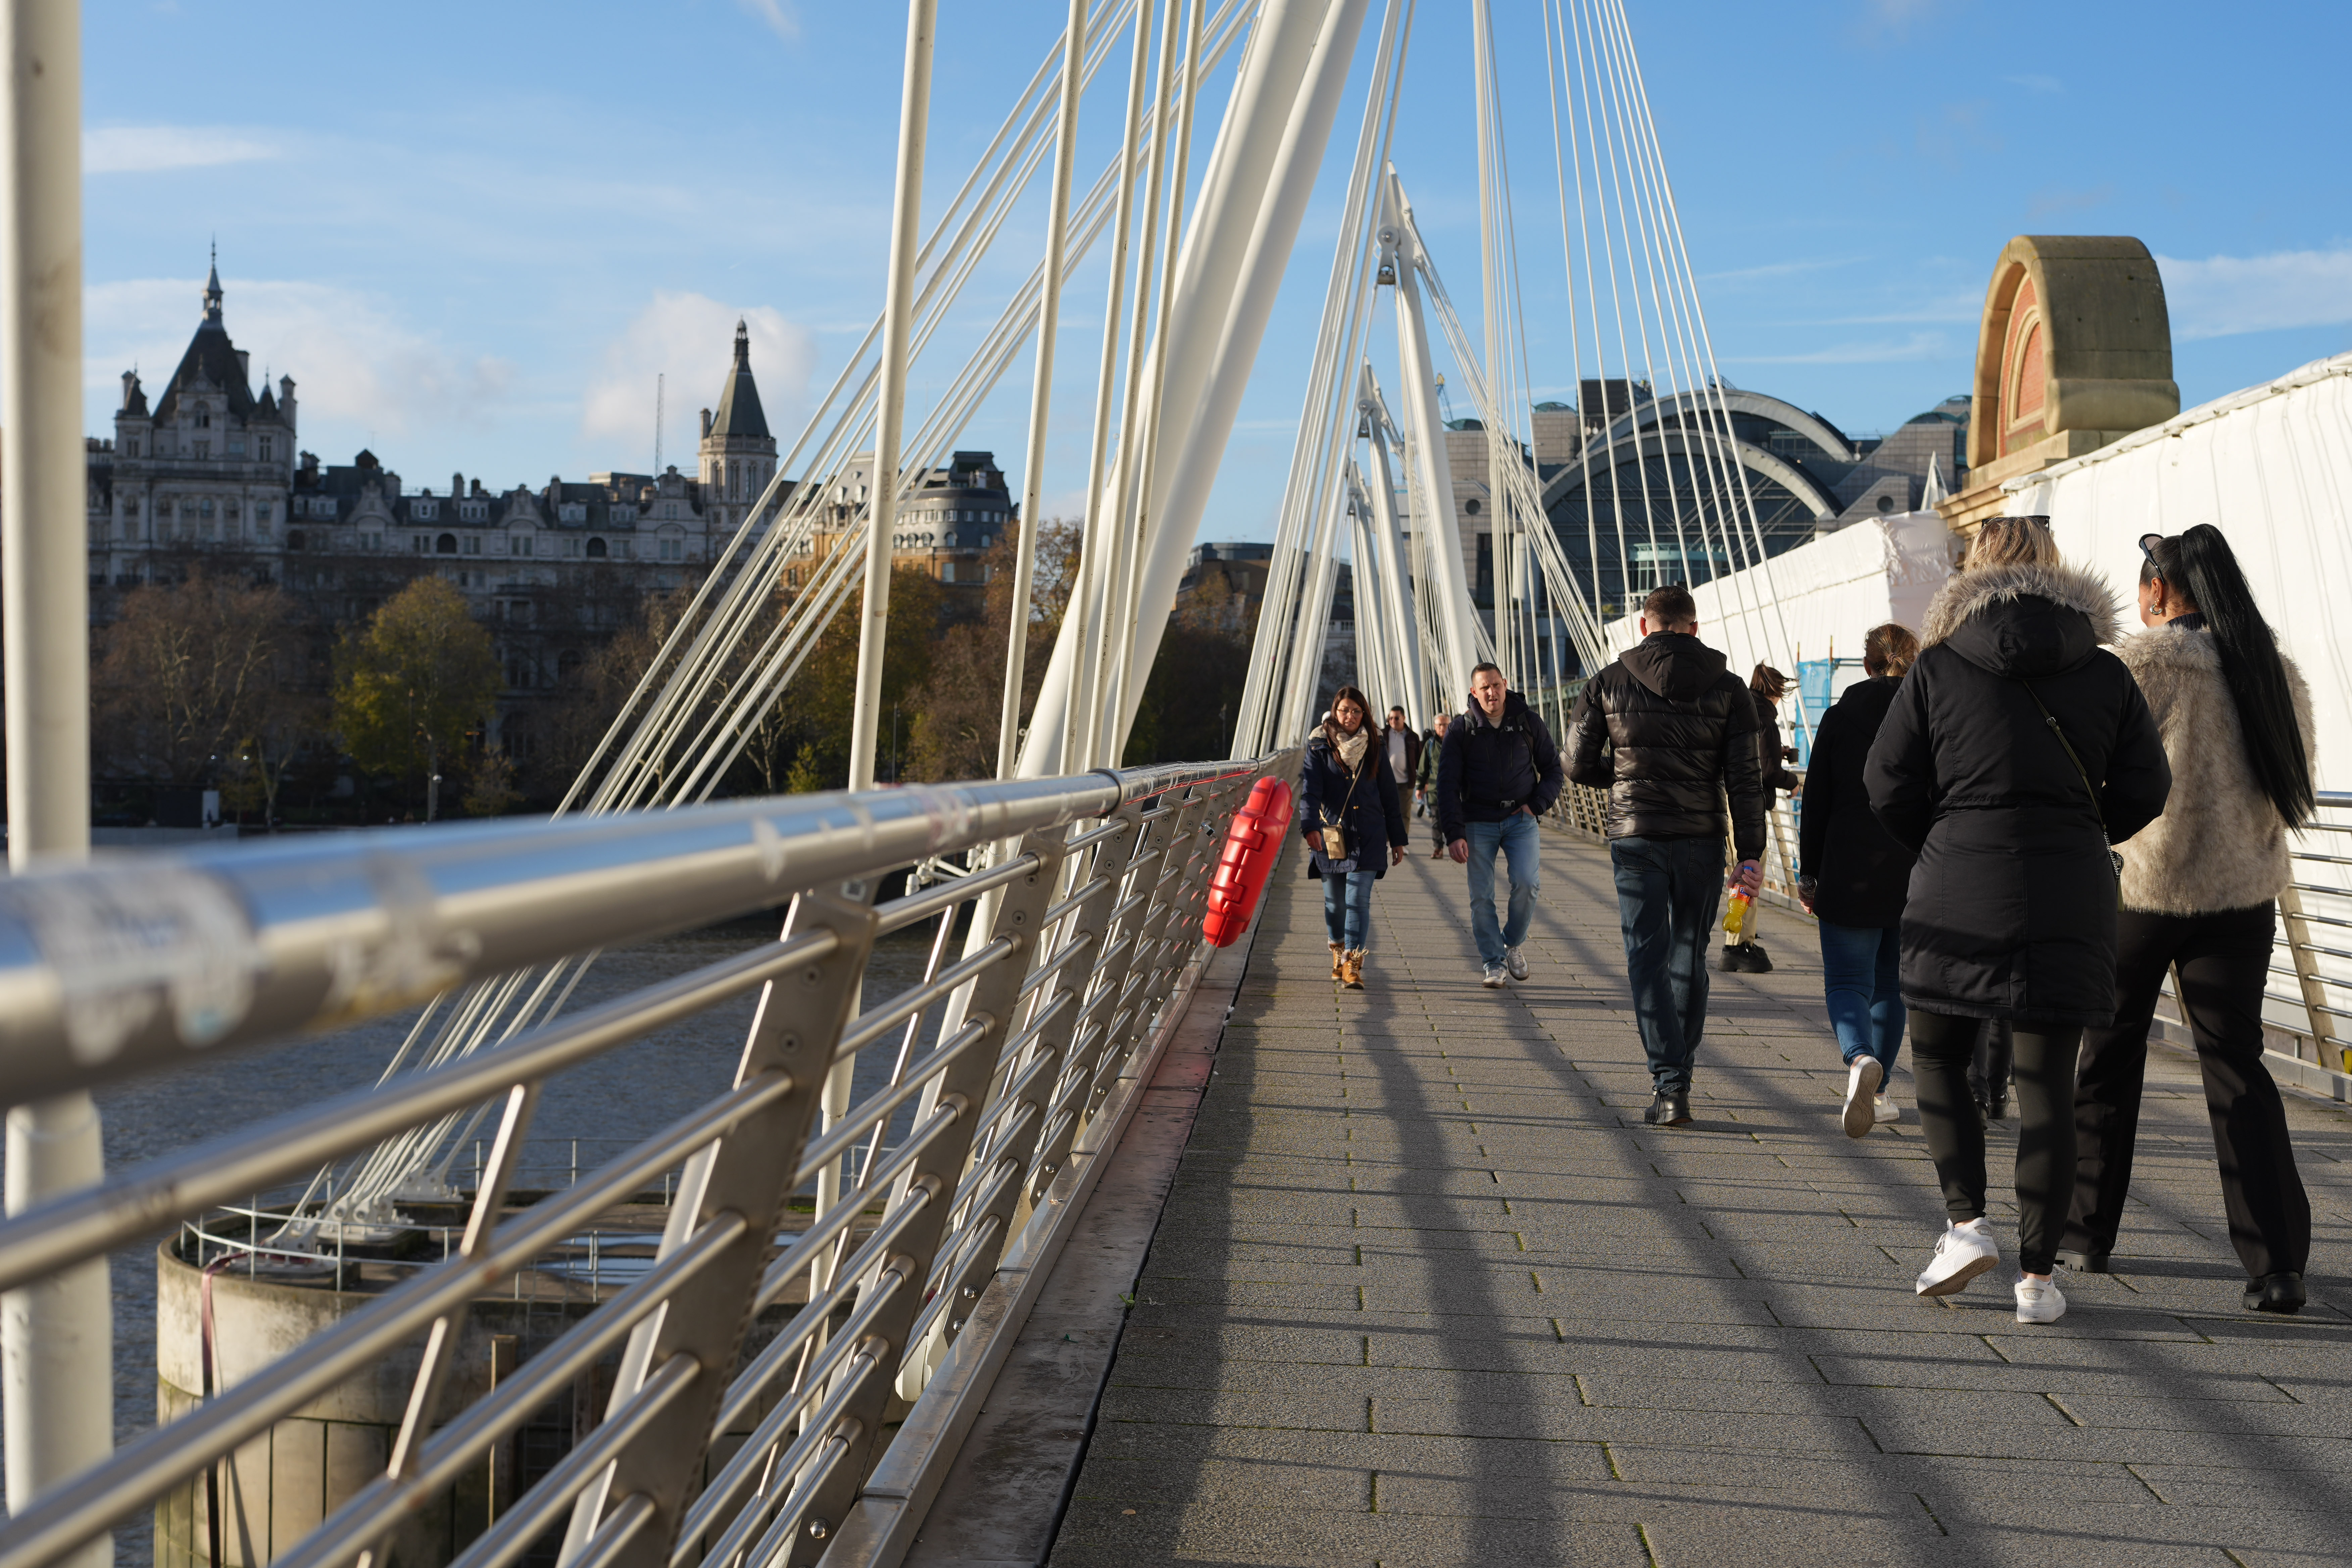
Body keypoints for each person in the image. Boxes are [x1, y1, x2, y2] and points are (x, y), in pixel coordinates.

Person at [1865, 517, 2170, 1325]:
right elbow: (2148, 783)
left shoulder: (1937, 667)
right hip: (2070, 886)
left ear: (1971, 573)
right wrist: (2085, 829)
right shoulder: (2106, 671)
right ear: (2058, 570)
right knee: (2046, 1086)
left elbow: (1886, 780)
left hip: (1955, 883)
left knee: (1935, 1056)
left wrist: (1943, 836)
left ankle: (1966, 1224)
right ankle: (2038, 1280)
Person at [2063, 525, 2315, 1313]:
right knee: (2237, 1066)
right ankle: (2275, 1264)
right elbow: (2296, 777)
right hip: (2241, 894)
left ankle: (2085, 1233)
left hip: (2142, 888)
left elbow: (2089, 774)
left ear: (2159, 593)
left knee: (2106, 1056)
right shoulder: (2272, 671)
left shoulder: (2136, 667)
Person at [1564, 585, 1765, 1127]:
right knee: (1687, 956)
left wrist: (1625, 777)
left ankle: (1668, 1083)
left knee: (1644, 958)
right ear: (1694, 629)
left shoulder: (1606, 681)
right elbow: (1745, 779)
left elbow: (1575, 764)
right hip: (1701, 837)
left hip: (1634, 837)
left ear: (1642, 626)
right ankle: (1678, 1078)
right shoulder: (1728, 688)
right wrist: (1751, 853)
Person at [1797, 623, 1920, 1138]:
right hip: (1915, 868)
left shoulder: (1840, 716)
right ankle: (1883, 1090)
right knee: (1892, 985)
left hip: (1849, 867)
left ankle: (1859, 1058)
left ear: (1866, 665)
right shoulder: (1930, 716)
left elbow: (1817, 801)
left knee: (1849, 982)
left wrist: (1810, 871)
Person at [1437, 663, 1565, 990]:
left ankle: (1511, 942)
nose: (1492, 693)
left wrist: (1536, 805)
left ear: (1505, 684)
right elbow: (1447, 785)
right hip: (1478, 821)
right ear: (1473, 693)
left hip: (1521, 819)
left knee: (1527, 883)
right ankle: (1493, 963)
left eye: (1496, 685)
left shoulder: (1528, 721)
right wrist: (1453, 833)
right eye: (1485, 688)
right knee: (1482, 897)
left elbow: (1553, 769)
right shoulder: (1461, 730)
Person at [1297, 685, 1409, 989]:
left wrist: (1397, 839)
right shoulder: (1319, 746)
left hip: (1370, 834)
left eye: (1357, 711)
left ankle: (1352, 964)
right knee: (1335, 905)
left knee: (1358, 900)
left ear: (1365, 714)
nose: (1350, 716)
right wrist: (1309, 828)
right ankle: (1336, 947)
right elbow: (1310, 792)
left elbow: (1389, 794)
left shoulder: (1375, 745)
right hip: (1332, 834)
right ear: (1335, 711)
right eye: (1345, 710)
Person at [1723, 664, 1802, 974]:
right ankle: (1739, 944)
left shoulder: (1742, 710)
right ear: (1775, 691)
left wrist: (1774, 753)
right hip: (1752, 806)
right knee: (1751, 874)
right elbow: (1768, 772)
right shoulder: (1766, 718)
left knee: (1740, 871)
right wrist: (1792, 781)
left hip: (1731, 800)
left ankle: (1738, 939)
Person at [1417, 712, 1451, 853]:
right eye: (1439, 725)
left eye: (1445, 725)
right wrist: (1419, 787)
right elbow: (1423, 767)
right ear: (1435, 727)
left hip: (1453, 789)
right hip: (1434, 789)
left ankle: (1457, 845)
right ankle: (1438, 848)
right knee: (1436, 821)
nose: (1442, 728)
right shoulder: (1430, 745)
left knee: (1453, 819)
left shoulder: (1455, 742)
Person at [1383, 705, 1423, 814]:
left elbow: (1420, 761)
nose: (1393, 721)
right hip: (1386, 783)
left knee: (1404, 815)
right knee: (1386, 814)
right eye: (1390, 718)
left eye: (1396, 718)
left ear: (1404, 718)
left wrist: (1423, 783)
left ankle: (1404, 833)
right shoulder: (1382, 735)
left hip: (1406, 783)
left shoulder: (1412, 737)